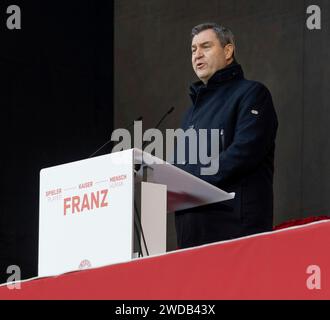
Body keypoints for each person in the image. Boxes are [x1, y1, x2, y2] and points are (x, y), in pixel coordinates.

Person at [175, 22, 278, 249]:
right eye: (193, 50)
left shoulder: (252, 94)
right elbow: (179, 168)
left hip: (236, 231)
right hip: (191, 238)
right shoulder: (190, 114)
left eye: (206, 46)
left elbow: (244, 152)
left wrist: (190, 181)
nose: (197, 55)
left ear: (228, 51)